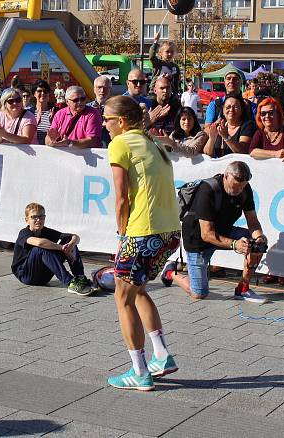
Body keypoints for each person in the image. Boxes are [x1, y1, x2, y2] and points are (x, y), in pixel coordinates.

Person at [104, 95, 181, 391]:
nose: (104, 124)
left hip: (143, 232)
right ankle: (161, 354)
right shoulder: (152, 142)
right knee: (138, 292)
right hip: (168, 233)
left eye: (107, 119)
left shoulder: (120, 143)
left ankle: (140, 371)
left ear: (121, 122)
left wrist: (122, 234)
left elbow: (122, 198)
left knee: (122, 298)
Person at [172, 161, 269, 303]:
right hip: (197, 239)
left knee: (255, 243)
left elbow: (253, 222)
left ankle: (243, 288)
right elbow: (207, 234)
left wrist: (259, 237)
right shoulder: (208, 189)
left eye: (242, 187)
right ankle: (170, 272)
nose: (238, 190)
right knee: (199, 293)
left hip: (223, 231)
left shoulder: (245, 189)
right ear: (226, 176)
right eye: (235, 186)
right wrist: (235, 244)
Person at [12, 202, 94, 295]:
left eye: (41, 217)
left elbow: (75, 237)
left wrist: (70, 244)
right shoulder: (24, 233)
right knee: (40, 248)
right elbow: (39, 242)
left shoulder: (46, 231)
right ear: (27, 220)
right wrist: (62, 248)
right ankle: (71, 282)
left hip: (44, 277)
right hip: (27, 276)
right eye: (34, 217)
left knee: (69, 241)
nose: (38, 220)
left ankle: (80, 278)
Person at [249, 97, 284, 165]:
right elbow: (252, 152)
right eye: (263, 114)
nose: (267, 116)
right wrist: (275, 154)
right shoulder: (259, 133)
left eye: (270, 113)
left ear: (278, 114)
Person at [203, 93, 255, 158]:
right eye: (228, 107)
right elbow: (206, 153)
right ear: (223, 111)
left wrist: (226, 137)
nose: (231, 110)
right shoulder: (219, 126)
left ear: (241, 110)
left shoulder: (247, 125)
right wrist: (212, 139)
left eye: (235, 107)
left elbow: (243, 150)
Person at [87, 75, 112, 146]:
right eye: (99, 87)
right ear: (94, 89)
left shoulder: (115, 108)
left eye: (105, 88)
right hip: (90, 146)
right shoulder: (87, 108)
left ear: (110, 89)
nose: (102, 90)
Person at [31, 80, 55, 145]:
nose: (43, 93)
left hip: (49, 150)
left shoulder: (55, 112)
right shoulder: (29, 113)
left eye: (45, 91)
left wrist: (53, 122)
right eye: (39, 91)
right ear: (34, 94)